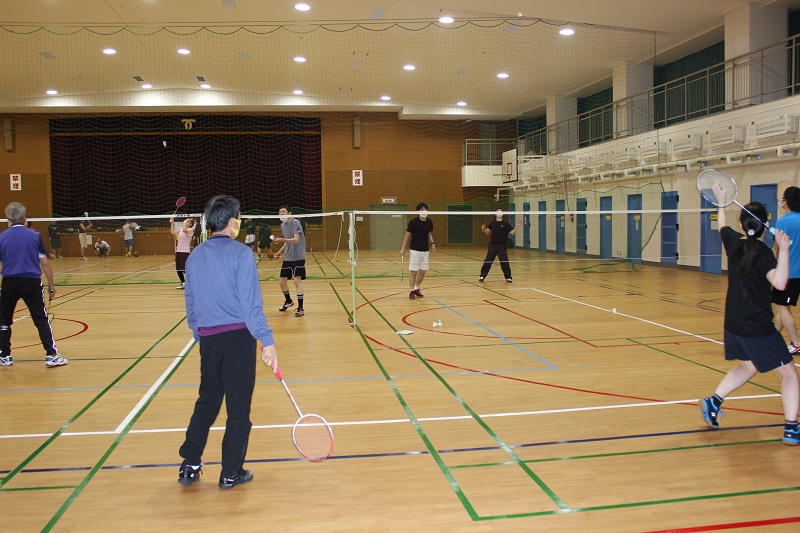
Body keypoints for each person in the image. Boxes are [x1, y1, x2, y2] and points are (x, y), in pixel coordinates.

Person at [178, 194, 278, 489]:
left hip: (209, 340)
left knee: (207, 402)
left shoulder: (195, 255)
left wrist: (199, 333)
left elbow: (191, 300)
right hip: (238, 340)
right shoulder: (241, 254)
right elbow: (250, 304)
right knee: (238, 409)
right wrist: (267, 340)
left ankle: (189, 465)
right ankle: (231, 472)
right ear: (233, 221)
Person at [698, 189, 800, 445]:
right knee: (789, 374)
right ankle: (791, 428)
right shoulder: (765, 255)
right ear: (765, 224)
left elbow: (722, 227)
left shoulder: (733, 243)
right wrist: (784, 250)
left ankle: (713, 402)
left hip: (733, 323)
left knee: (749, 366)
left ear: (742, 225)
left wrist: (722, 203)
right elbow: (780, 283)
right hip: (757, 327)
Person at [0, 202, 68, 367]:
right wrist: (51, 286)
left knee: (4, 320)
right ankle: (51, 355)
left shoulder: (2, 237)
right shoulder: (34, 236)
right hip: (31, 281)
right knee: (40, 318)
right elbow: (45, 263)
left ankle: (4, 355)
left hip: (9, 282)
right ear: (24, 217)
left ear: (8, 218)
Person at [772, 186, 800, 354]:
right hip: (797, 274)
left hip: (789, 273)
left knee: (783, 307)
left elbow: (776, 250)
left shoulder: (783, 222)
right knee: (783, 306)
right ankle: (772, 337)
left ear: (786, 201)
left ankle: (796, 344)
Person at [274, 206, 306, 316]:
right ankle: (288, 301)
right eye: (279, 212)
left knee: (297, 281)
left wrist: (281, 239)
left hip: (298, 256)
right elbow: (287, 242)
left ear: (289, 213)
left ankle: (300, 308)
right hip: (288, 257)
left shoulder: (295, 222)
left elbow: (296, 240)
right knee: (282, 282)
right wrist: (279, 252)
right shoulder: (283, 225)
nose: (281, 213)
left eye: (283, 211)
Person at [400, 202, 435, 300]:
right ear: (418, 211)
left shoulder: (429, 222)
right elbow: (407, 235)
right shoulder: (413, 222)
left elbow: (429, 234)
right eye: (422, 209)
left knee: (423, 271)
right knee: (413, 271)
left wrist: (432, 243)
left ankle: (416, 288)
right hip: (415, 250)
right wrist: (403, 248)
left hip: (425, 250)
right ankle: (411, 290)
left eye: (425, 209)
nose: (424, 211)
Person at [478, 208, 522, 282]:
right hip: (492, 245)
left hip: (502, 246)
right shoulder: (492, 223)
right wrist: (484, 229)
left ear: (502, 214)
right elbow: (487, 232)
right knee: (488, 261)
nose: (499, 212)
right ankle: (482, 276)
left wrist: (517, 226)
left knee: (504, 262)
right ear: (495, 214)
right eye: (498, 211)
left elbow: (512, 233)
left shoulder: (506, 224)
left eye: (500, 211)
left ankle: (508, 277)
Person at [170, 216, 195, 289]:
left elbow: (184, 230)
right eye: (187, 220)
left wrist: (184, 223)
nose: (186, 221)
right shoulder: (181, 229)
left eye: (188, 221)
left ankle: (194, 280)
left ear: (191, 224)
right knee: (178, 269)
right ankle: (183, 283)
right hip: (178, 251)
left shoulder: (190, 230)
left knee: (184, 269)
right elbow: (172, 232)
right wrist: (172, 222)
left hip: (185, 252)